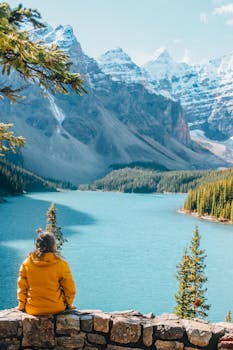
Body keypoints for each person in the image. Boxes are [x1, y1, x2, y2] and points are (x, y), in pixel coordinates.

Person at [17, 232, 76, 315]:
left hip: (33, 309)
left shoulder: (27, 263)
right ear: (53, 245)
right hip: (56, 308)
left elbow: (22, 288)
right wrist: (69, 304)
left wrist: (21, 306)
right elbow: (69, 288)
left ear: (37, 245)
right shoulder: (62, 264)